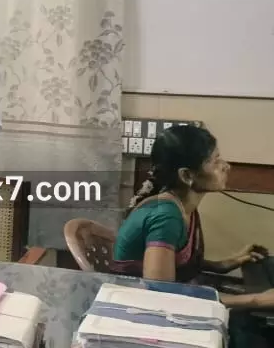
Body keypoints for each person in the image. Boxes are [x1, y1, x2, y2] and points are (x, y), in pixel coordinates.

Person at [111, 127, 272, 296]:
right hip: (137, 303)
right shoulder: (166, 216)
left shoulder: (183, 205)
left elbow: (176, 260)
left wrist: (223, 265)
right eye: (215, 161)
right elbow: (160, 295)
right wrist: (258, 299)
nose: (226, 166)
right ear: (187, 176)